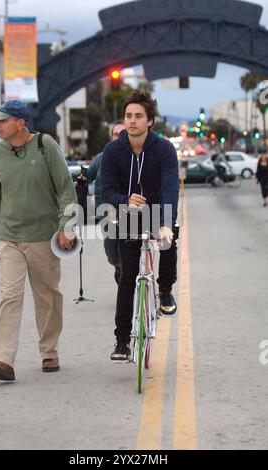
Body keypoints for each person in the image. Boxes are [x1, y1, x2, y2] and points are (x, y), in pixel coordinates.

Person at [0, 100, 77, 381]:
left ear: (20, 122)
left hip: (43, 238)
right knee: (9, 296)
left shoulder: (46, 147)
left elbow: (66, 191)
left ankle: (49, 351)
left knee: (47, 297)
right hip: (9, 238)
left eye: (2, 120)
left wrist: (66, 227)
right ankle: (2, 359)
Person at [101, 90, 179, 362]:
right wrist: (125, 201)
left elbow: (170, 188)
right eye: (128, 116)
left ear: (149, 121)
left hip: (158, 211)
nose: (132, 121)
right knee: (127, 278)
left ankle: (166, 290)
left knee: (170, 240)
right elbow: (106, 190)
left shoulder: (164, 149)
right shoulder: (112, 151)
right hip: (129, 214)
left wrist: (166, 224)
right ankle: (122, 341)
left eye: (138, 116)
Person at [82, 122, 126, 283]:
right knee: (112, 251)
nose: (119, 137)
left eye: (123, 133)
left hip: (130, 209)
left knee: (130, 246)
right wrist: (81, 179)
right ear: (111, 137)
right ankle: (118, 267)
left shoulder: (135, 156)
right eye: (116, 134)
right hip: (107, 210)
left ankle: (128, 276)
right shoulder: (101, 158)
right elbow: (88, 176)